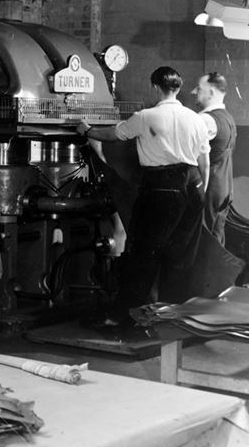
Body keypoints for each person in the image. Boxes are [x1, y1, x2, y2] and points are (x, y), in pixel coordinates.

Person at [77, 66, 210, 323]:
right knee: (180, 256)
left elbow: (114, 134)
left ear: (154, 86)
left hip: (161, 188)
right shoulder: (196, 118)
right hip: (194, 188)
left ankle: (125, 317)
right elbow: (204, 163)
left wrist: (87, 130)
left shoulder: (145, 116)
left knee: (142, 255)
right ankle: (173, 319)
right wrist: (198, 192)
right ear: (179, 88)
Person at [192, 72, 237, 245]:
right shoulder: (228, 118)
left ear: (210, 93)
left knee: (201, 240)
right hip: (225, 188)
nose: (194, 92)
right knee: (216, 240)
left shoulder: (205, 120)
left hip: (208, 188)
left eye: (199, 88)